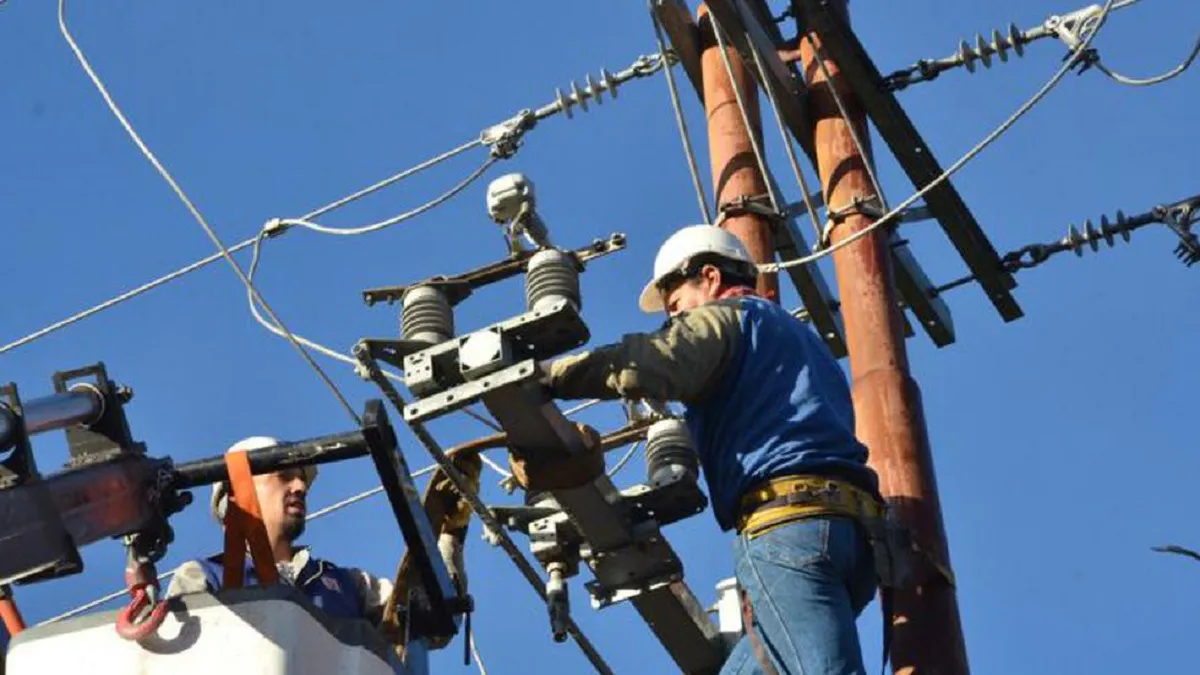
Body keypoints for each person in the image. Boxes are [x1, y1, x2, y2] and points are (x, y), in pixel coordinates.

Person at [541, 224, 884, 675]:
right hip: (853, 540)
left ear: (710, 277)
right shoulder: (797, 340)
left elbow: (656, 361)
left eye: (676, 305)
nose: (673, 319)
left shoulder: (729, 317)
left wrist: (548, 375)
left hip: (788, 529)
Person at [165, 436, 394, 626]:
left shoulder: (352, 585)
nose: (301, 487)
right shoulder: (204, 576)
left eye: (302, 479)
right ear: (238, 493)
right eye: (284, 476)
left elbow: (410, 607)